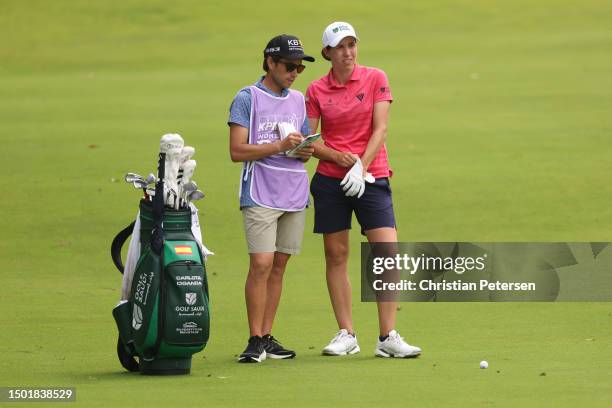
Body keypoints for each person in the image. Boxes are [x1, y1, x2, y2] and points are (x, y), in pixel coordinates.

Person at [305, 22, 421, 358]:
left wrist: (361, 166)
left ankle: (388, 337)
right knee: (337, 255)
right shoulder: (315, 90)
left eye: (352, 45)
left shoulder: (375, 78)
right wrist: (341, 159)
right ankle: (347, 334)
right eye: (340, 47)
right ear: (327, 52)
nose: (348, 52)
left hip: (372, 177)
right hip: (330, 180)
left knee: (386, 252)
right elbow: (312, 141)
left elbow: (380, 128)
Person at [228, 34, 315, 363]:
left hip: (293, 192)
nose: (294, 72)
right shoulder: (246, 98)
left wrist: (303, 150)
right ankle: (253, 339)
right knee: (261, 264)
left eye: (299, 68)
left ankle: (266, 336)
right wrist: (279, 147)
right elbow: (237, 151)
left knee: (279, 266)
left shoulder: (298, 99)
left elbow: (304, 147)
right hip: (260, 191)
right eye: (289, 66)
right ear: (270, 63)